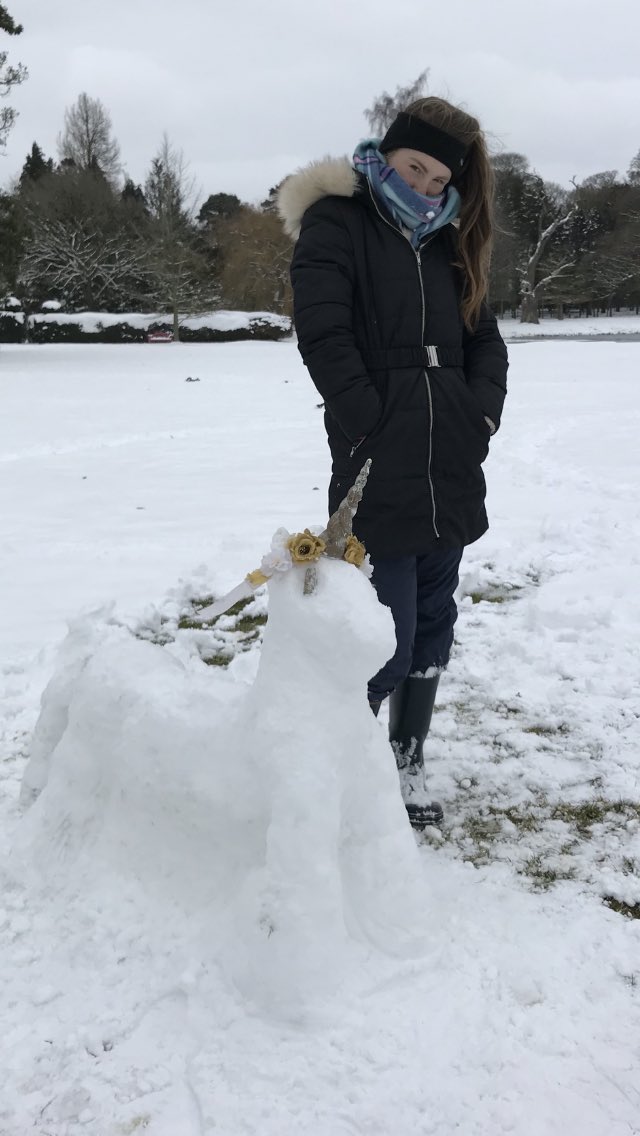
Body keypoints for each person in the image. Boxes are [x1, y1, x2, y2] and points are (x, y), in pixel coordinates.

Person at [277, 97, 508, 829]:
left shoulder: (447, 239)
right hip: (378, 457)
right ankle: (354, 775)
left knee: (434, 626)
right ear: (387, 153)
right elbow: (322, 330)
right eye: (417, 168)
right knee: (385, 636)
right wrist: (367, 418)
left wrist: (482, 412)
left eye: (442, 178)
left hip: (449, 461)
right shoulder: (338, 221)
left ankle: (405, 771)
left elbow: (485, 339)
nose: (428, 186)